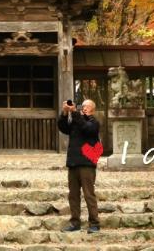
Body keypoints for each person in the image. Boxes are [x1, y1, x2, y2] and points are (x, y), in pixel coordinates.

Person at [58, 98, 101, 234]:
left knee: (89, 194)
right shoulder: (77, 121)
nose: (84, 108)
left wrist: (75, 112)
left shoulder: (94, 123)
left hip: (87, 164)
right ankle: (75, 222)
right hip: (73, 163)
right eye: (82, 106)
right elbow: (63, 127)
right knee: (73, 195)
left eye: (87, 106)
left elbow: (87, 129)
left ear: (92, 110)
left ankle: (94, 223)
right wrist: (65, 113)